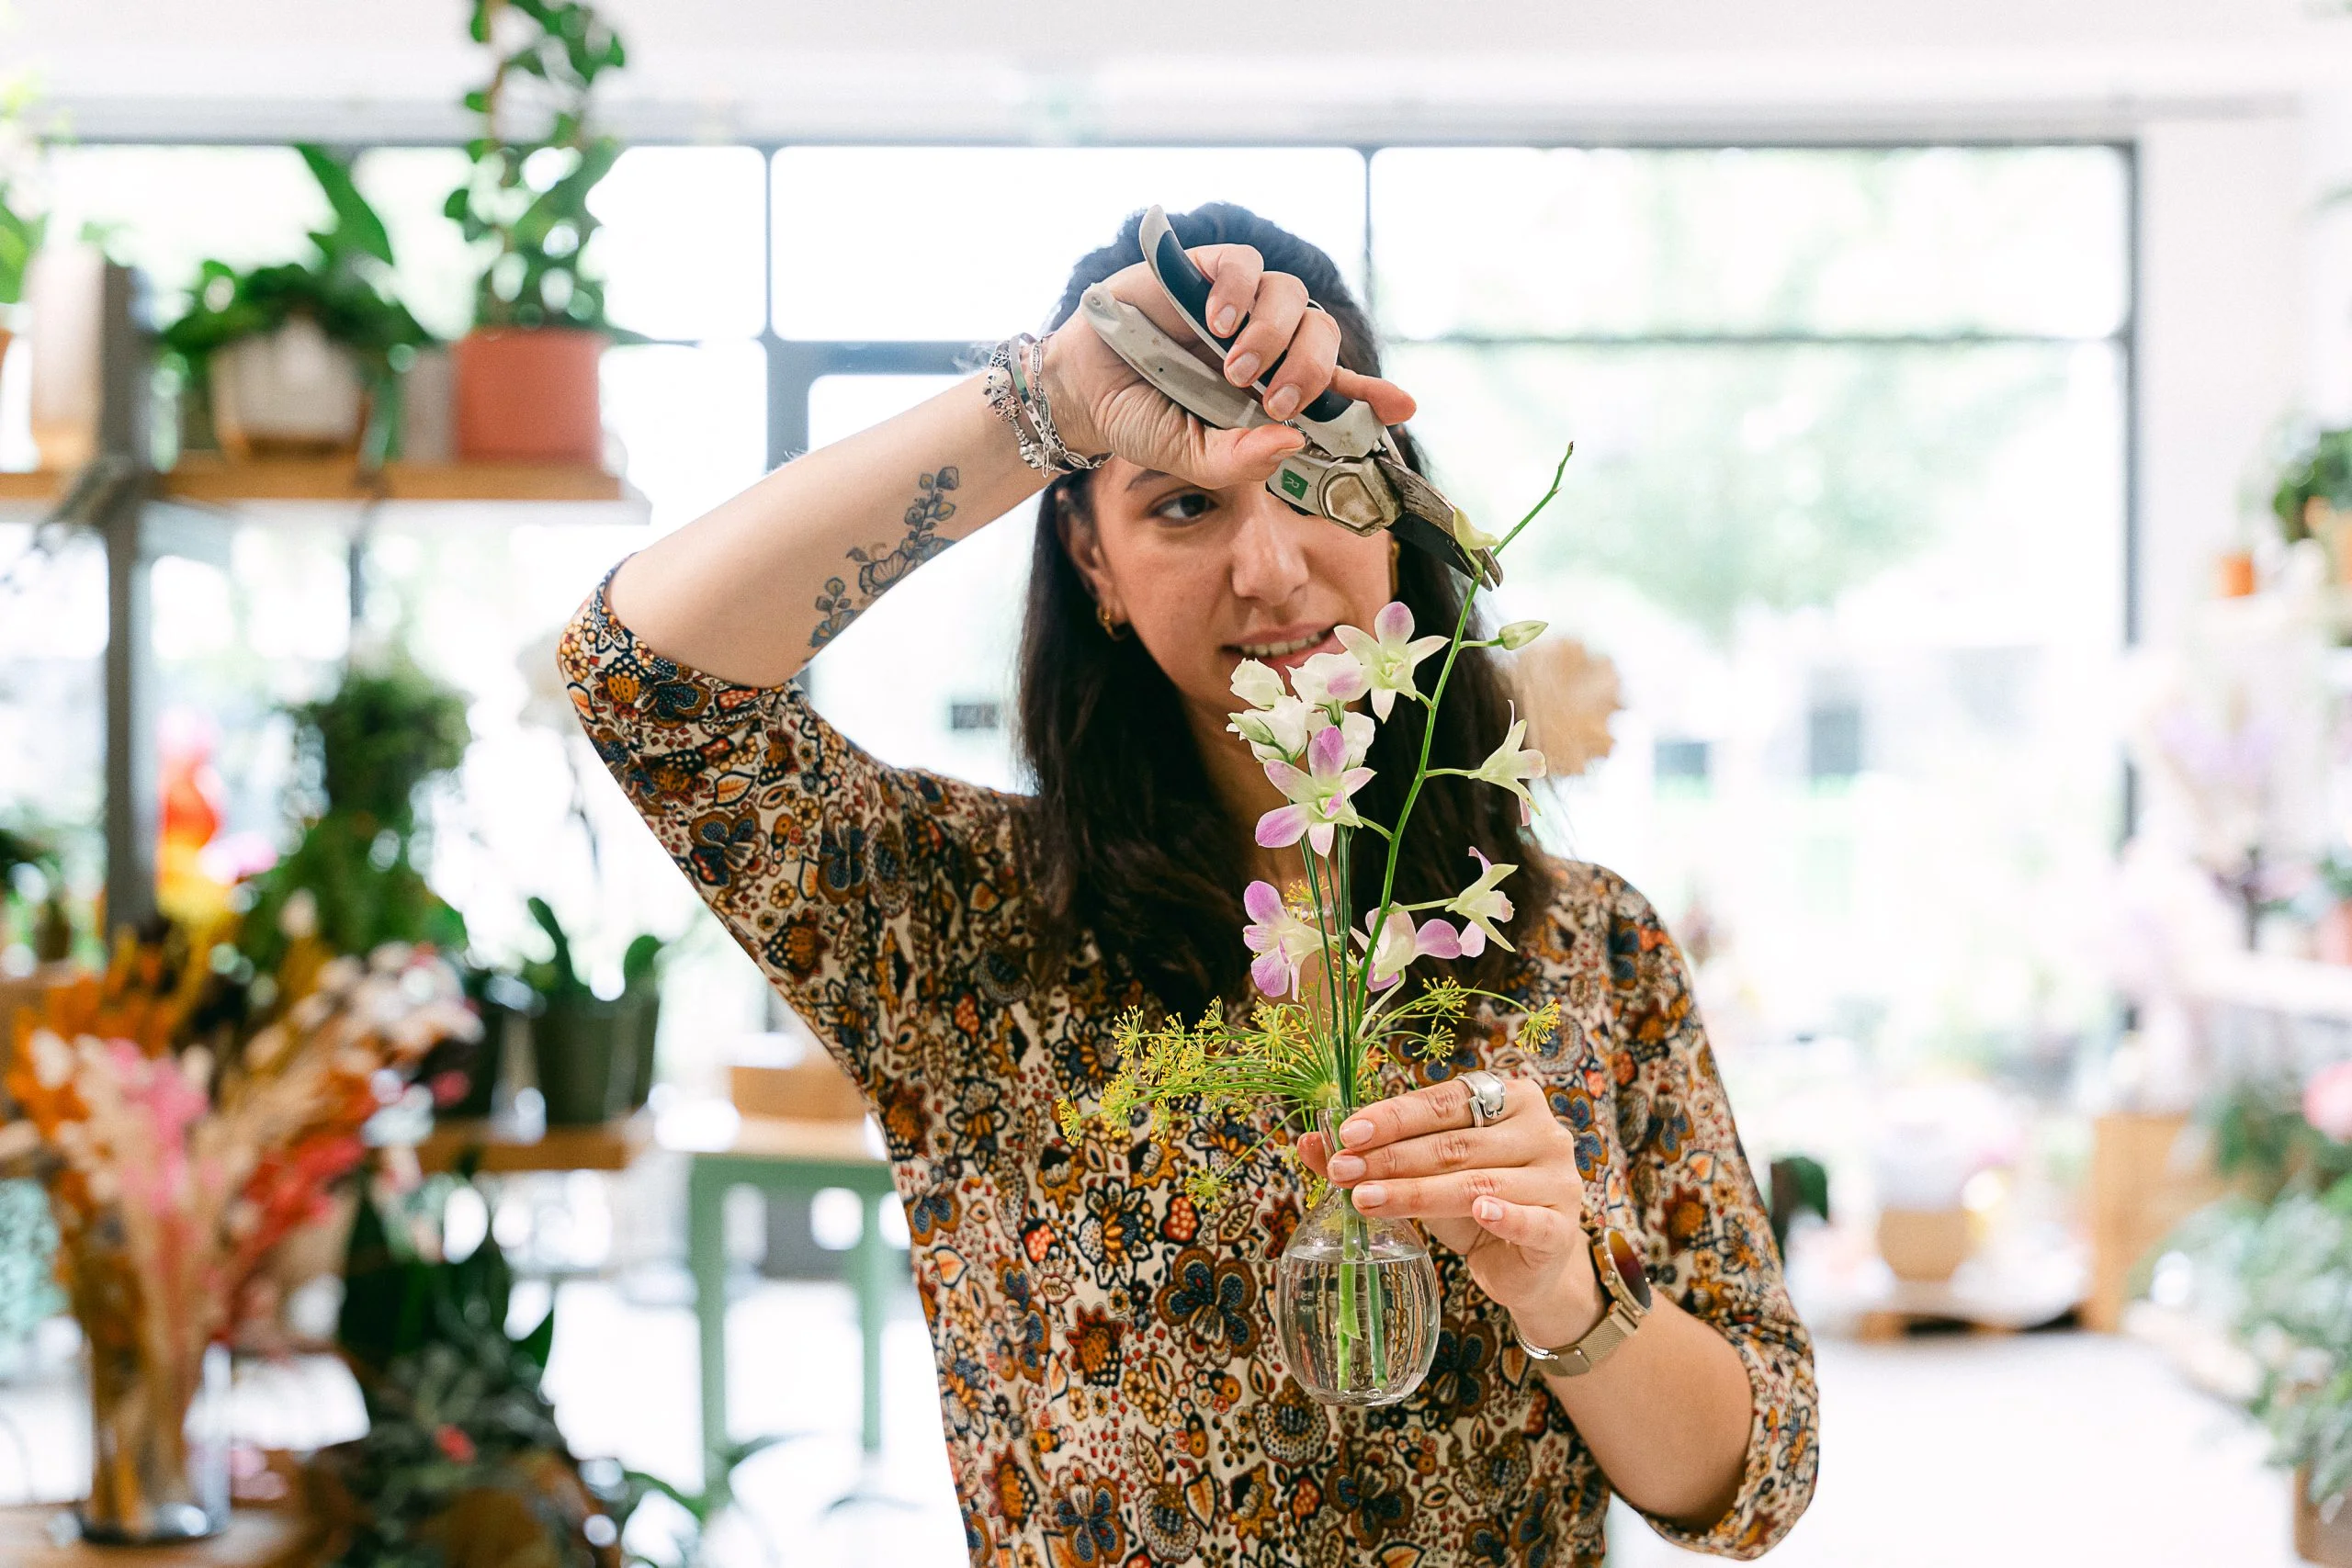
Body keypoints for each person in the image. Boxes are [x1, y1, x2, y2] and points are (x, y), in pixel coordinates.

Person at [560, 202, 1816, 1565]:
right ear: (1091, 560)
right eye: (1183, 502)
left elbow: (1754, 1481)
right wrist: (1045, 400)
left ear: (1401, 509)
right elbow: (641, 684)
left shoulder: (1591, 946)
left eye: (1320, 482)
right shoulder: (964, 919)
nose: (1270, 568)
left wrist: (1566, 1290)